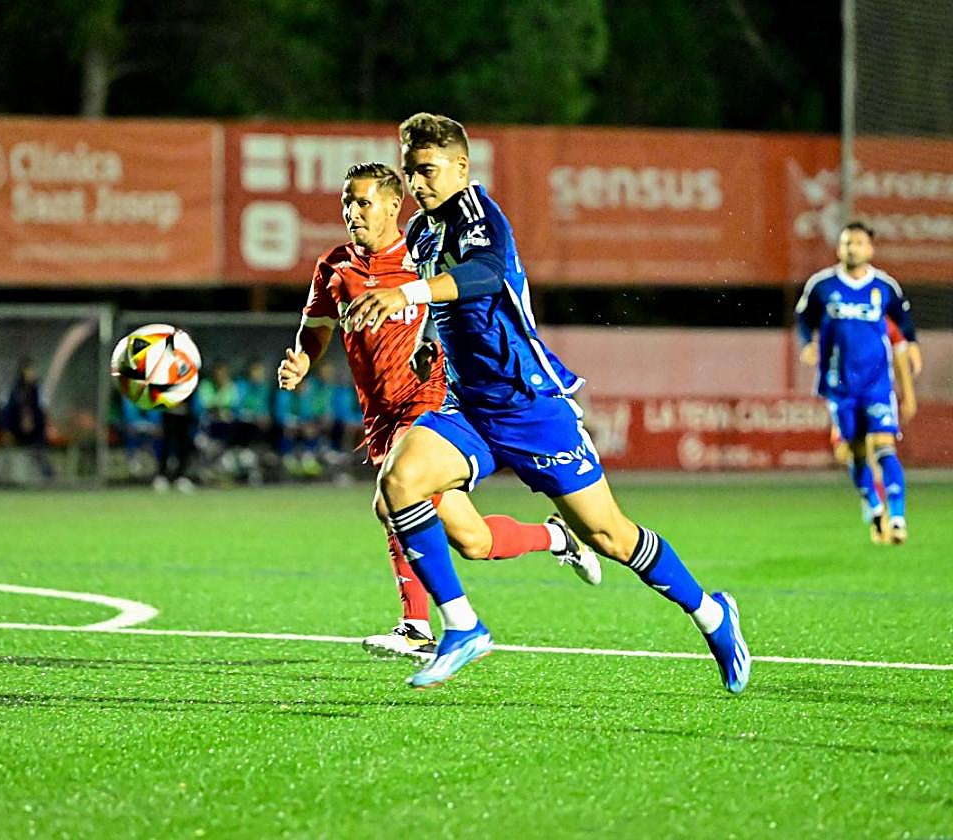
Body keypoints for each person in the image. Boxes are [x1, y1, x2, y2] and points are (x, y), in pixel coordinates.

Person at [345, 114, 748, 691]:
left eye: (428, 170)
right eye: (410, 171)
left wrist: (404, 292)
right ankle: (463, 628)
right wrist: (423, 343)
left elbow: (484, 274)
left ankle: (712, 614)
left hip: (529, 404)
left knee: (610, 536)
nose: (417, 183)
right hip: (469, 405)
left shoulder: (479, 216)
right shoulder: (422, 233)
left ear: (461, 166)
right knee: (399, 482)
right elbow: (449, 306)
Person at [278, 160, 601, 663]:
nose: (352, 212)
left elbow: (471, 297)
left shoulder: (424, 256)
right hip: (379, 414)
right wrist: (303, 357)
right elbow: (317, 326)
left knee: (394, 502)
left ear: (393, 205)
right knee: (473, 540)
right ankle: (559, 536)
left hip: (433, 404)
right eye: (347, 202)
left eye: (362, 202)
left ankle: (417, 627)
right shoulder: (334, 267)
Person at [796, 221, 920, 545]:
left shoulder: (884, 287)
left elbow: (904, 323)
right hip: (839, 385)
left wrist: (912, 347)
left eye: (859, 243)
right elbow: (804, 320)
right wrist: (808, 342)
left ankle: (897, 518)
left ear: (870, 249)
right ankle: (874, 506)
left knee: (883, 444)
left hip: (877, 383)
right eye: (847, 243)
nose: (852, 248)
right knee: (852, 452)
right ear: (839, 248)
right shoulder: (822, 286)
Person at [0, 357, 53, 478]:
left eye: (32, 370)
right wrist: (7, 429)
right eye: (28, 370)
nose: (31, 373)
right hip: (15, 428)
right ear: (22, 372)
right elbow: (6, 411)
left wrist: (32, 421)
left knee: (40, 439)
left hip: (34, 430)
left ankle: (47, 475)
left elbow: (42, 411)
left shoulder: (39, 390)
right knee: (6, 437)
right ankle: (2, 475)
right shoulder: (13, 390)